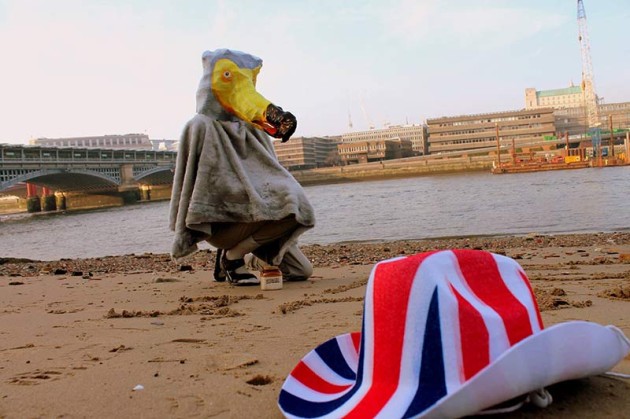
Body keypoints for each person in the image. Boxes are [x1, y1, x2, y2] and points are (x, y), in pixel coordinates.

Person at [169, 49, 315, 285]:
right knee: (294, 201)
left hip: (258, 218)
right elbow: (190, 183)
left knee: (302, 271)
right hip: (221, 221)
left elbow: (271, 174)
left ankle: (241, 256)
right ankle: (232, 256)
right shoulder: (199, 126)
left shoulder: (252, 129)